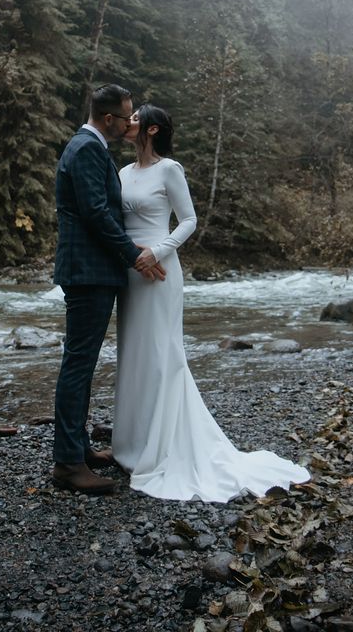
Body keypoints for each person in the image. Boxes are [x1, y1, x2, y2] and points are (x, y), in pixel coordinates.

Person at [112, 104, 310, 502]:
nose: (126, 123)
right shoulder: (122, 173)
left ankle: (165, 446)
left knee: (161, 353)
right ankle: (131, 445)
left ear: (151, 129)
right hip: (130, 272)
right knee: (131, 353)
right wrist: (129, 255)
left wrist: (159, 251)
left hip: (160, 272)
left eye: (134, 120)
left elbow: (188, 220)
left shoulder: (170, 169)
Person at [52, 84, 163, 494]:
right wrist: (133, 253)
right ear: (109, 119)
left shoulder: (92, 148)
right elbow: (96, 213)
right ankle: (66, 463)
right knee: (78, 364)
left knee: (83, 362)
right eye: (127, 116)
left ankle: (79, 448)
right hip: (87, 272)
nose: (130, 122)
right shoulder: (85, 150)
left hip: (95, 271)